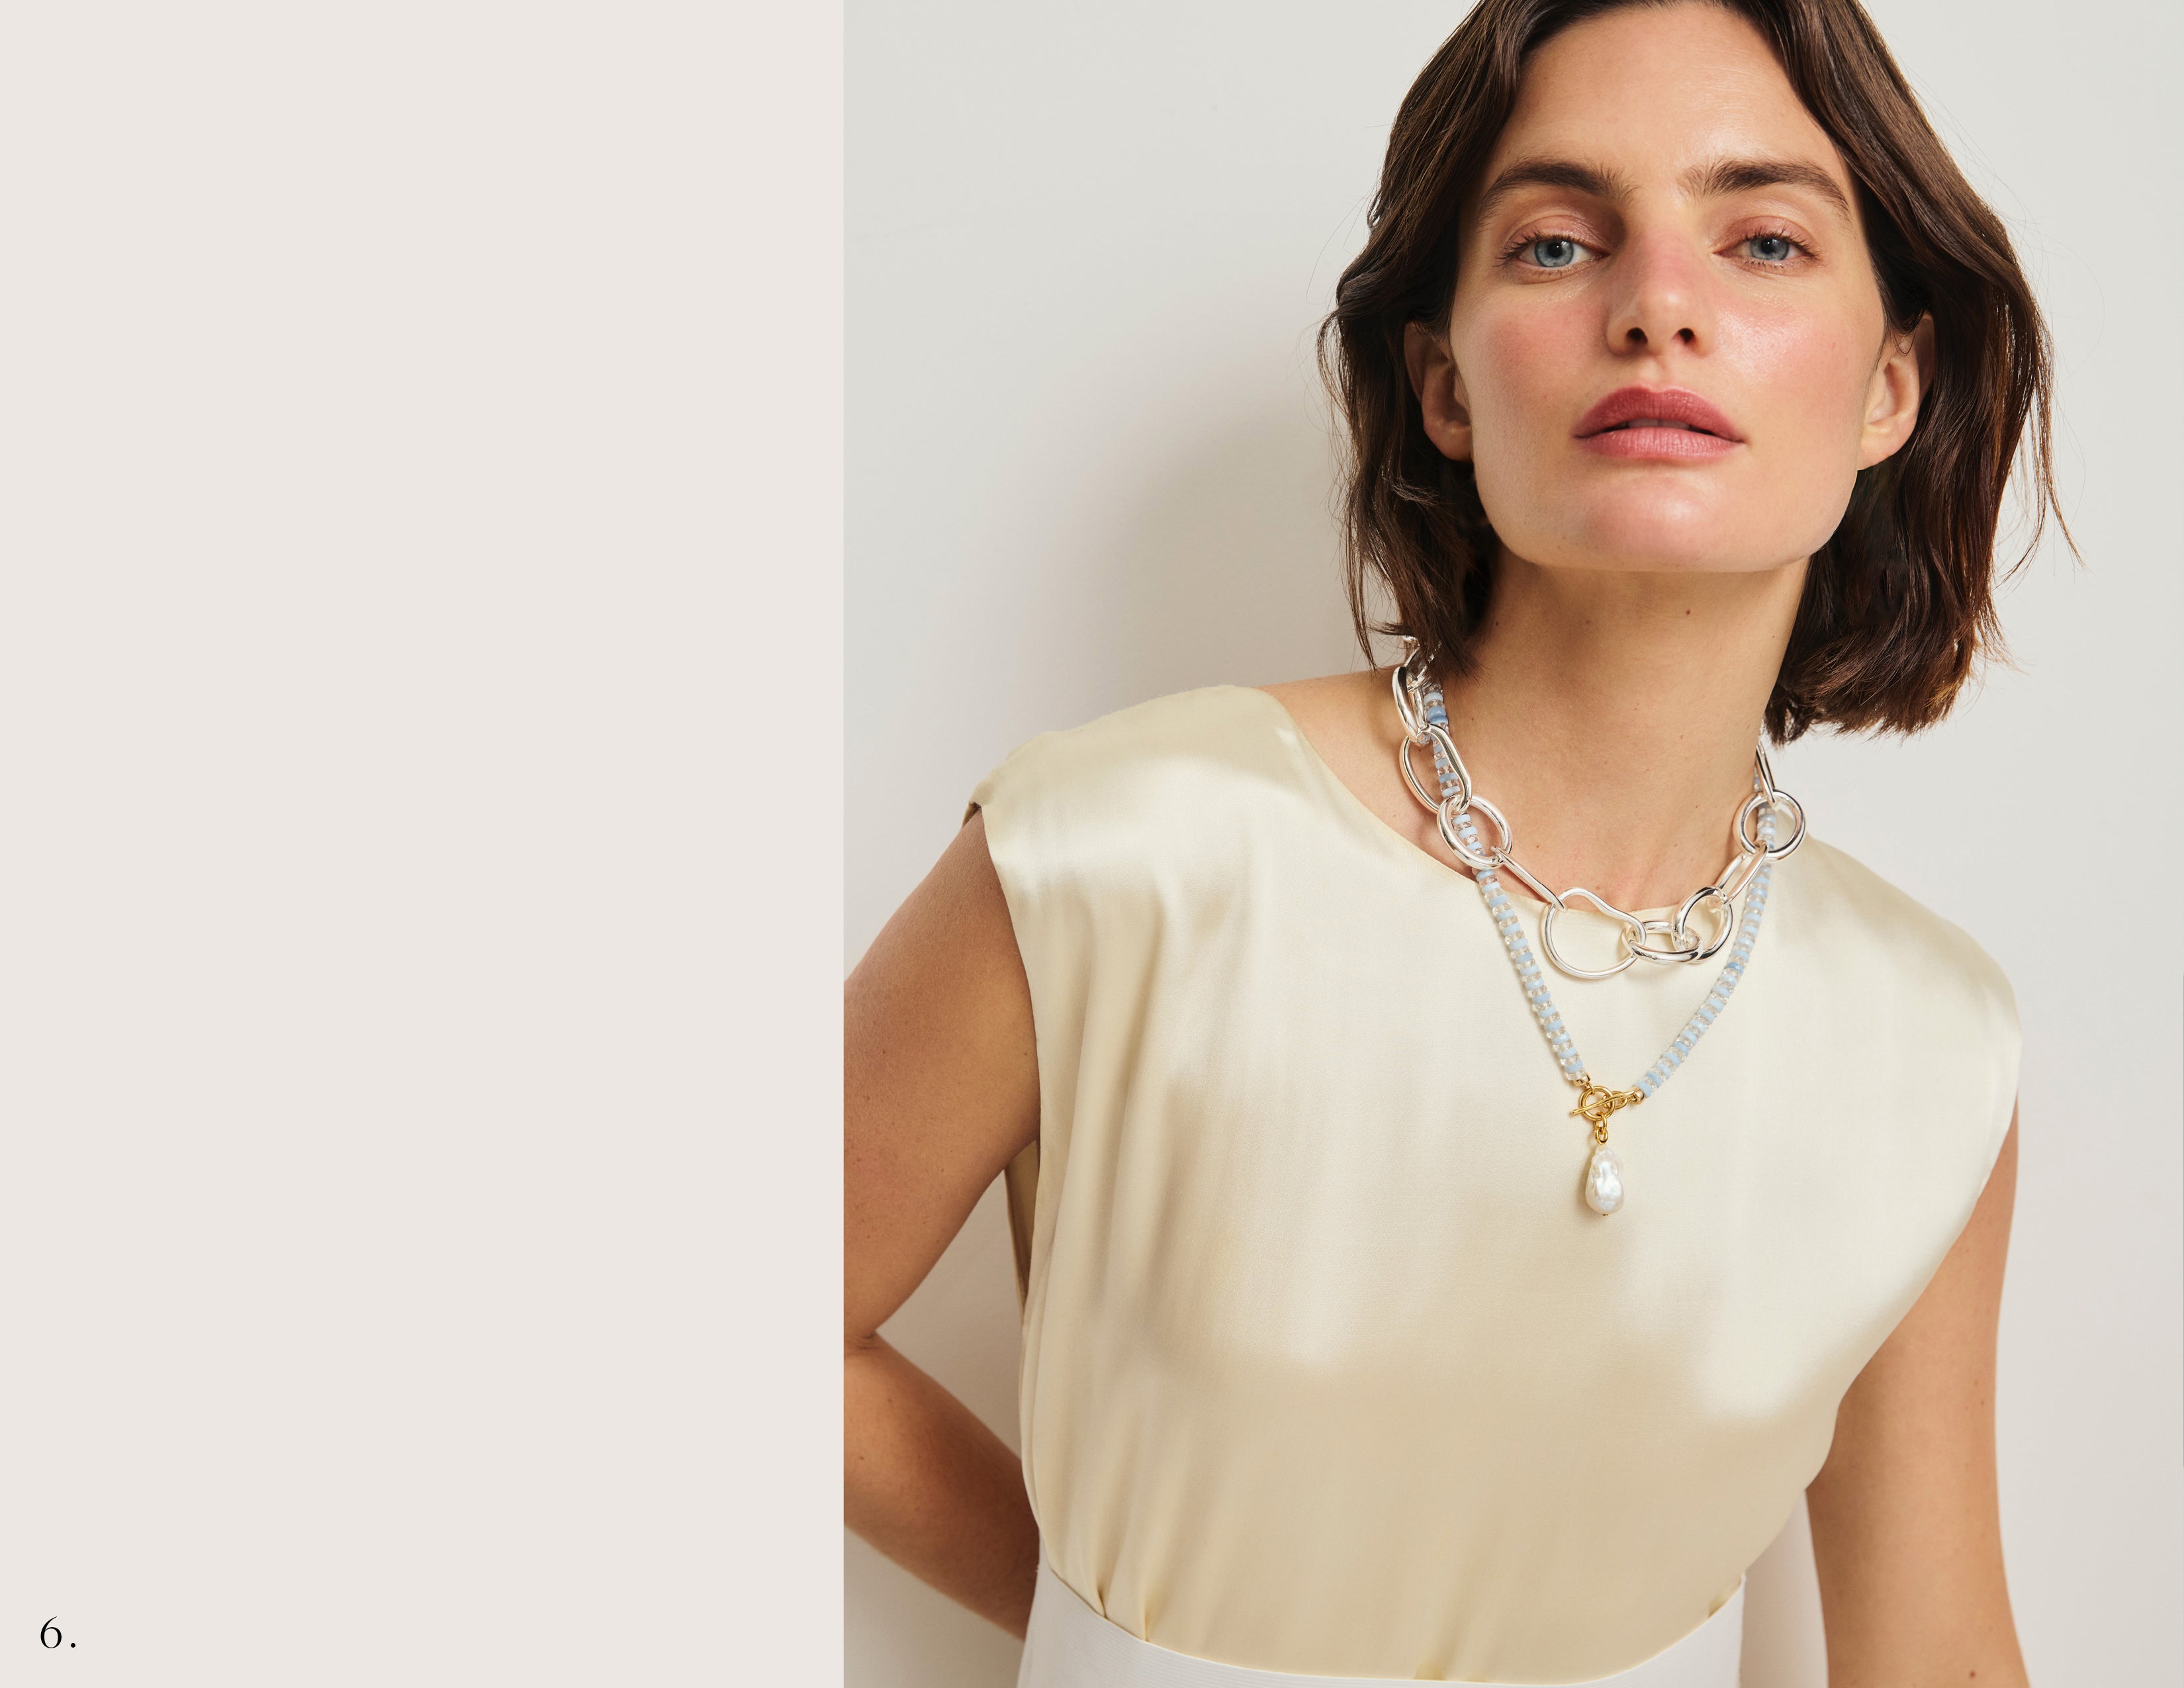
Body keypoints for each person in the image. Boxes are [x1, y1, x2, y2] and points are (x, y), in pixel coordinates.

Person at [846, 1, 2057, 1681]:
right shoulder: (1118, 861)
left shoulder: (1929, 1044)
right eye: (1558, 242)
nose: (1657, 306)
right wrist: (1103, 1628)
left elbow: (1938, 1658)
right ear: (1444, 386)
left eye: (1764, 240)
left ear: (1890, 387)